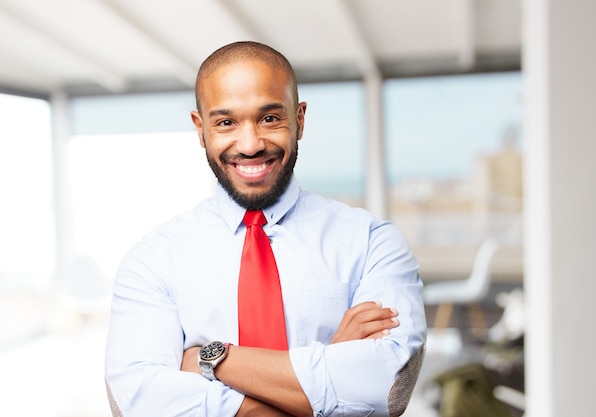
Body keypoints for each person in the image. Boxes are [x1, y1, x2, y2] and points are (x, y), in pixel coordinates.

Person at [105, 41, 426, 417]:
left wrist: (210, 360)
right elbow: (139, 400)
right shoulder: (154, 259)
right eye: (226, 122)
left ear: (300, 119)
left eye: (270, 118)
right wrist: (329, 368)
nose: (250, 144)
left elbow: (385, 389)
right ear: (200, 128)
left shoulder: (372, 242)